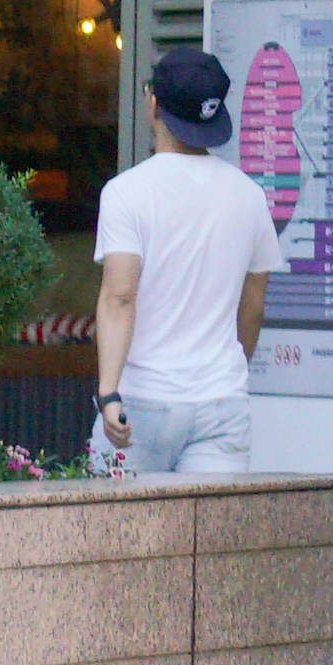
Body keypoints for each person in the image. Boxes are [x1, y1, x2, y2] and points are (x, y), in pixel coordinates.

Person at [93, 42, 279, 481]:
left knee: (115, 542)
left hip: (142, 401)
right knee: (209, 545)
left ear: (153, 104)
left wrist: (108, 394)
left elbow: (120, 298)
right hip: (222, 405)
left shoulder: (126, 193)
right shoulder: (250, 198)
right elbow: (253, 308)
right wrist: (225, 372)